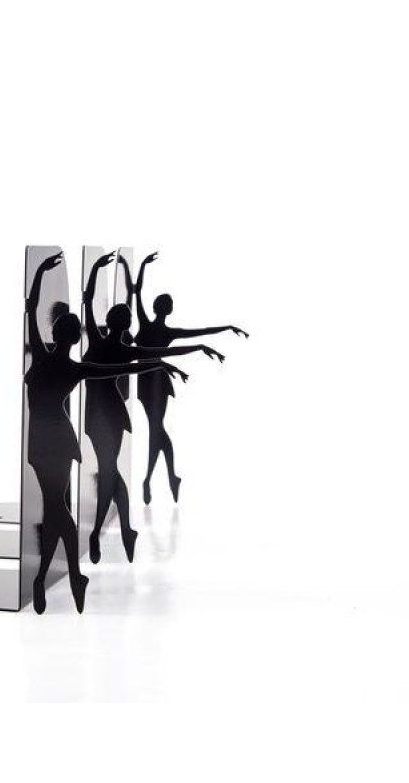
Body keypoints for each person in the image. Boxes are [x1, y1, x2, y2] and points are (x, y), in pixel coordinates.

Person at [25, 252, 182, 614]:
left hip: (49, 440)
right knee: (57, 508)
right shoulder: (75, 367)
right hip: (55, 440)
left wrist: (41, 274)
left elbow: (31, 309)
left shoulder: (50, 359)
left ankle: (68, 573)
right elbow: (131, 364)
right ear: (74, 336)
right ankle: (73, 573)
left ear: (56, 333)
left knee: (57, 508)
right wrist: (161, 362)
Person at [82, 252, 223, 563]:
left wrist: (95, 270)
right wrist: (195, 349)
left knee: (110, 469)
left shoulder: (100, 339)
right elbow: (156, 357)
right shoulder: (123, 348)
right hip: (105, 414)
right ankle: (126, 527)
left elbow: (88, 300)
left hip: (102, 414)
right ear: (126, 325)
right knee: (111, 469)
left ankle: (100, 533)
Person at [134, 251, 248, 504]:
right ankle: (167, 478)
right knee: (157, 429)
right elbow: (202, 331)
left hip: (152, 381)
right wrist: (227, 328)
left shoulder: (149, 325)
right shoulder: (162, 330)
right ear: (167, 309)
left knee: (156, 429)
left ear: (157, 308)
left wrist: (143, 266)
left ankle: (152, 479)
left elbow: (136, 292)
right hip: (152, 380)